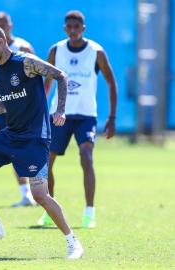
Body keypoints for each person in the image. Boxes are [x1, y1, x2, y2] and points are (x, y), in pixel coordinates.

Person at [0, 22, 83, 259]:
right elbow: (7, 103)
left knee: (40, 196)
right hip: (10, 135)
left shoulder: (26, 62)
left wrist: (61, 111)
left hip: (35, 139)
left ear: (1, 42)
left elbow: (61, 76)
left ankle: (73, 242)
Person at [38, 10, 117, 229]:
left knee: (86, 156)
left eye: (77, 27)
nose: (73, 30)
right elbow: (47, 84)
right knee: (47, 162)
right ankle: (48, 212)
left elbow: (112, 83)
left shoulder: (96, 51)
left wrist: (111, 117)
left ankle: (89, 212)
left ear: (83, 28)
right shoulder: (56, 50)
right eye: (69, 27)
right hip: (58, 114)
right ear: (65, 28)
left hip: (85, 115)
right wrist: (41, 110)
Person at [0, 11, 36, 208]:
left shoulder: (22, 47)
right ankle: (25, 194)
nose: (2, 27)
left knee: (30, 149)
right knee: (14, 151)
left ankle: (39, 191)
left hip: (23, 108)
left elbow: (37, 75)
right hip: (4, 109)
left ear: (10, 25)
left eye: (3, 24)